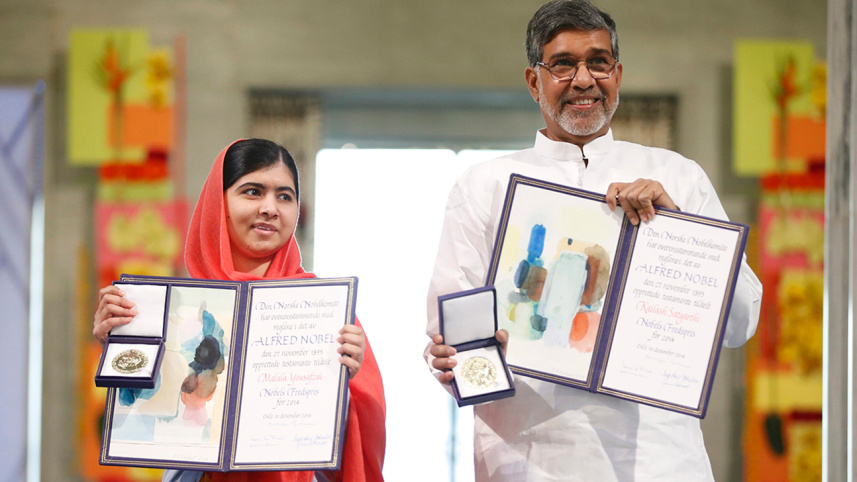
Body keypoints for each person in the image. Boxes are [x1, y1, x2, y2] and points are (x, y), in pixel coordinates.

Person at [425, 1, 762, 480]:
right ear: (533, 81)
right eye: (563, 64)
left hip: (660, 462)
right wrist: (452, 362)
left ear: (617, 75)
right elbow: (454, 338)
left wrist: (677, 231)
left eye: (598, 62)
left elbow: (740, 323)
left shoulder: (677, 177)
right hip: (528, 459)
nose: (583, 80)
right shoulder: (485, 186)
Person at [94, 138, 386, 482]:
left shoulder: (326, 313)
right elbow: (145, 415)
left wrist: (344, 385)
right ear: (220, 204)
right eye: (253, 192)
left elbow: (357, 444)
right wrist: (120, 344)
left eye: (285, 196)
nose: (270, 208)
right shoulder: (178, 309)